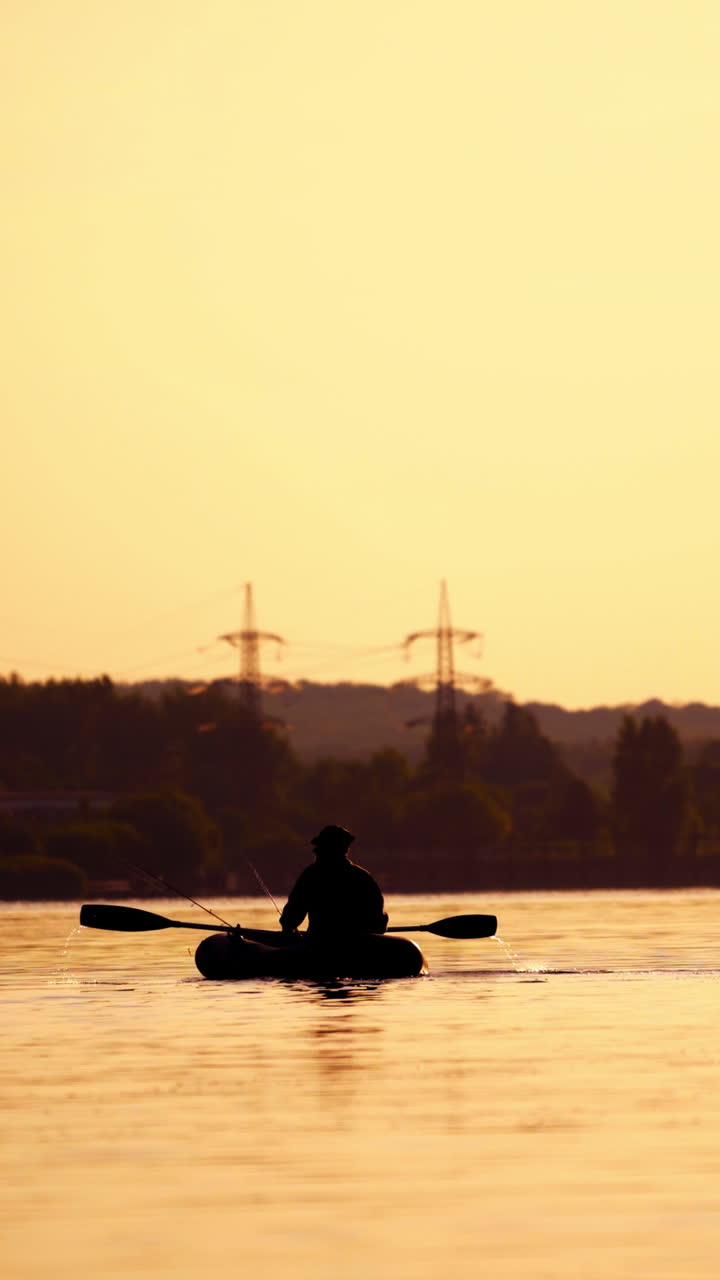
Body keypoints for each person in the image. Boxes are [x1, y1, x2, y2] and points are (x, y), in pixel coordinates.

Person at [279, 825, 388, 937]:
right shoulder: (362, 877)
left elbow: (291, 916)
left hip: (320, 944)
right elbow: (378, 922)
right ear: (346, 849)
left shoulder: (311, 875)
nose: (315, 851)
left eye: (318, 848)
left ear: (325, 849)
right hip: (358, 947)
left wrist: (289, 930)